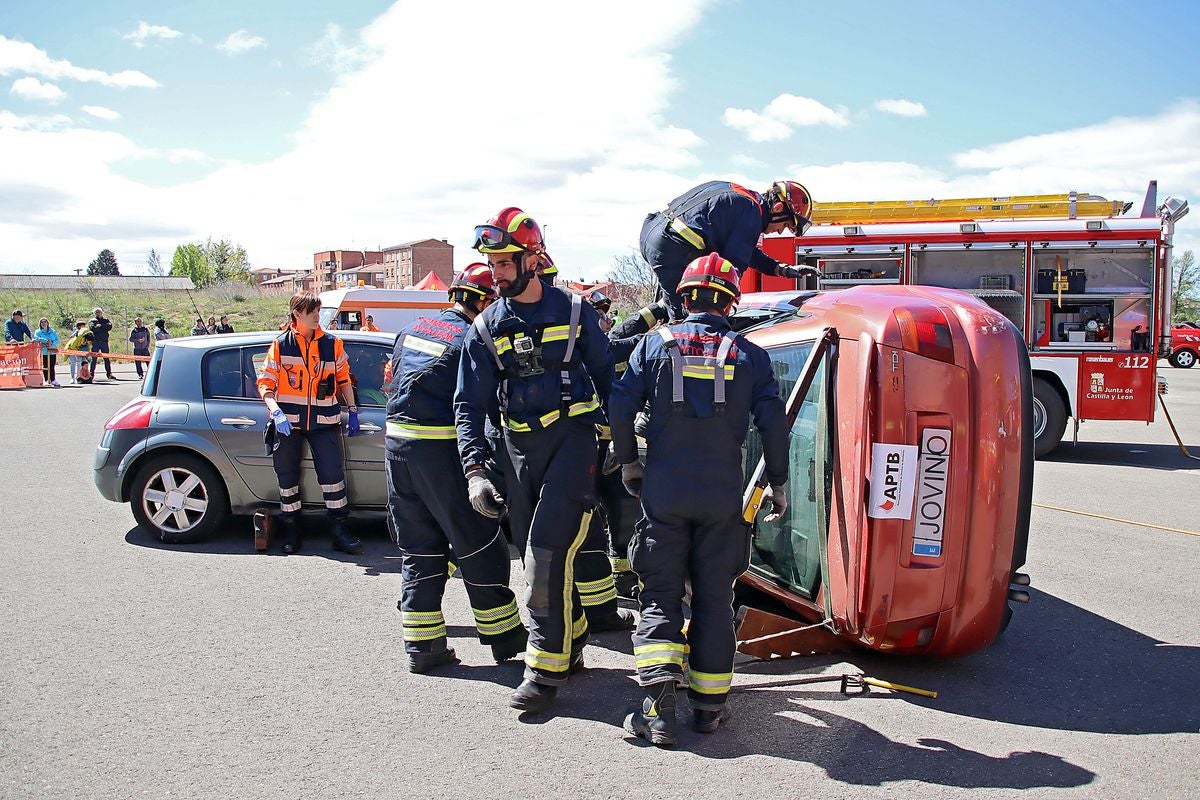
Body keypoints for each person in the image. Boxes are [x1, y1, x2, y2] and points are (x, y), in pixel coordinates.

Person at [610, 252, 790, 746]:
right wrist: (779, 481)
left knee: (661, 596)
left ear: (684, 297)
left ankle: (657, 713)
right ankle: (708, 710)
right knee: (714, 598)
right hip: (721, 498)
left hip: (664, 493)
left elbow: (620, 403)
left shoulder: (654, 343)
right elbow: (773, 423)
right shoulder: (749, 354)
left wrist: (628, 462)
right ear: (730, 303)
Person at [456, 207, 616, 712]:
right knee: (533, 554)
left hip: (572, 441)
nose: (495, 273)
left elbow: (610, 379)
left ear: (532, 259)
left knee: (545, 554)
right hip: (517, 451)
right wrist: (475, 471)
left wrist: (624, 448)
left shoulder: (574, 311)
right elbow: (470, 404)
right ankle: (571, 640)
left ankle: (542, 672)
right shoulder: (485, 327)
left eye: (505, 263)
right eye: (492, 264)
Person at [386, 264, 527, 673]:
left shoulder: (412, 329)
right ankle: (505, 639)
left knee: (419, 548)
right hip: (441, 450)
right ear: (484, 301)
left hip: (397, 451)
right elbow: (478, 403)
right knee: (478, 540)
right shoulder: (472, 338)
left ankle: (423, 648)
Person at [612, 180, 818, 338]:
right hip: (674, 248)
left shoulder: (744, 200)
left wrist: (781, 269)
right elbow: (733, 266)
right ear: (778, 208)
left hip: (656, 236)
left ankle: (613, 341)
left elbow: (746, 252)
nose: (781, 231)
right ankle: (634, 362)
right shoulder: (751, 212)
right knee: (685, 328)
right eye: (788, 224)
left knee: (667, 305)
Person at [256, 290, 363, 555]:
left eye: (318, 310)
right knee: (287, 476)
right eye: (311, 311)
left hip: (324, 420)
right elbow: (265, 384)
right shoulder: (281, 345)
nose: (317, 315)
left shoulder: (331, 344)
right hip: (288, 423)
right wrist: (275, 412)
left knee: (332, 476)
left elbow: (343, 380)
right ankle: (292, 530)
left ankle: (339, 530)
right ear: (297, 314)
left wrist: (353, 410)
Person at [88, 307, 114, 380]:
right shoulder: (92, 321)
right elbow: (93, 329)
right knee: (94, 359)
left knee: (106, 358)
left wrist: (101, 326)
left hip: (104, 342)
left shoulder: (106, 320)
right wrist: (102, 327)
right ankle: (91, 374)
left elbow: (109, 327)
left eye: (99, 312)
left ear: (102, 312)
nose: (98, 313)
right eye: (96, 312)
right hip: (95, 342)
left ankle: (109, 374)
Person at [33, 317, 60, 387]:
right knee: (45, 365)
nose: (43, 323)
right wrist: (45, 341)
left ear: (47, 323)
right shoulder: (38, 331)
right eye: (42, 322)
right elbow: (36, 338)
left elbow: (57, 339)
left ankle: (53, 379)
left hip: (52, 350)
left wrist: (52, 342)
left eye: (45, 322)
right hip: (44, 351)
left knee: (52, 365)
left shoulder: (52, 331)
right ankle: (46, 380)